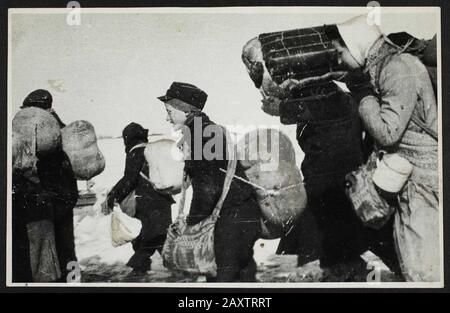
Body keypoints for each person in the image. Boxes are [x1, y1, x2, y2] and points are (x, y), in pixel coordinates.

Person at [243, 41, 401, 281]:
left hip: (330, 185)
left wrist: (283, 110)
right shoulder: (330, 93)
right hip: (339, 182)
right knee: (345, 242)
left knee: (304, 247)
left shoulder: (322, 94)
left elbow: (327, 111)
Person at [325, 15, 439, 282]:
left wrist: (362, 93)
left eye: (340, 51)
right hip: (413, 182)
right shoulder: (386, 66)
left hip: (424, 186)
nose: (339, 59)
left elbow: (388, 133)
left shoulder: (398, 68)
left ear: (355, 44)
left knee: (423, 269)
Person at [158, 82, 261, 282]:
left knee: (223, 281)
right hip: (240, 214)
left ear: (183, 109)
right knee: (242, 278)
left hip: (232, 220)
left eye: (169, 111)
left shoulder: (201, 133)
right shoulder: (204, 129)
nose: (167, 117)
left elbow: (208, 187)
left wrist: (192, 225)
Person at [12, 89, 79, 282]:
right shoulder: (55, 130)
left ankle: (62, 281)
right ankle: (73, 281)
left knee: (46, 251)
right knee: (66, 248)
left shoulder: (38, 132)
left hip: (46, 199)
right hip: (63, 197)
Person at [106, 122, 174, 274]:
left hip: (147, 202)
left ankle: (139, 266)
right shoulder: (151, 150)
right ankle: (175, 264)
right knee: (159, 235)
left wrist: (114, 195)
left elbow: (129, 179)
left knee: (152, 236)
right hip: (163, 199)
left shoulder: (135, 152)